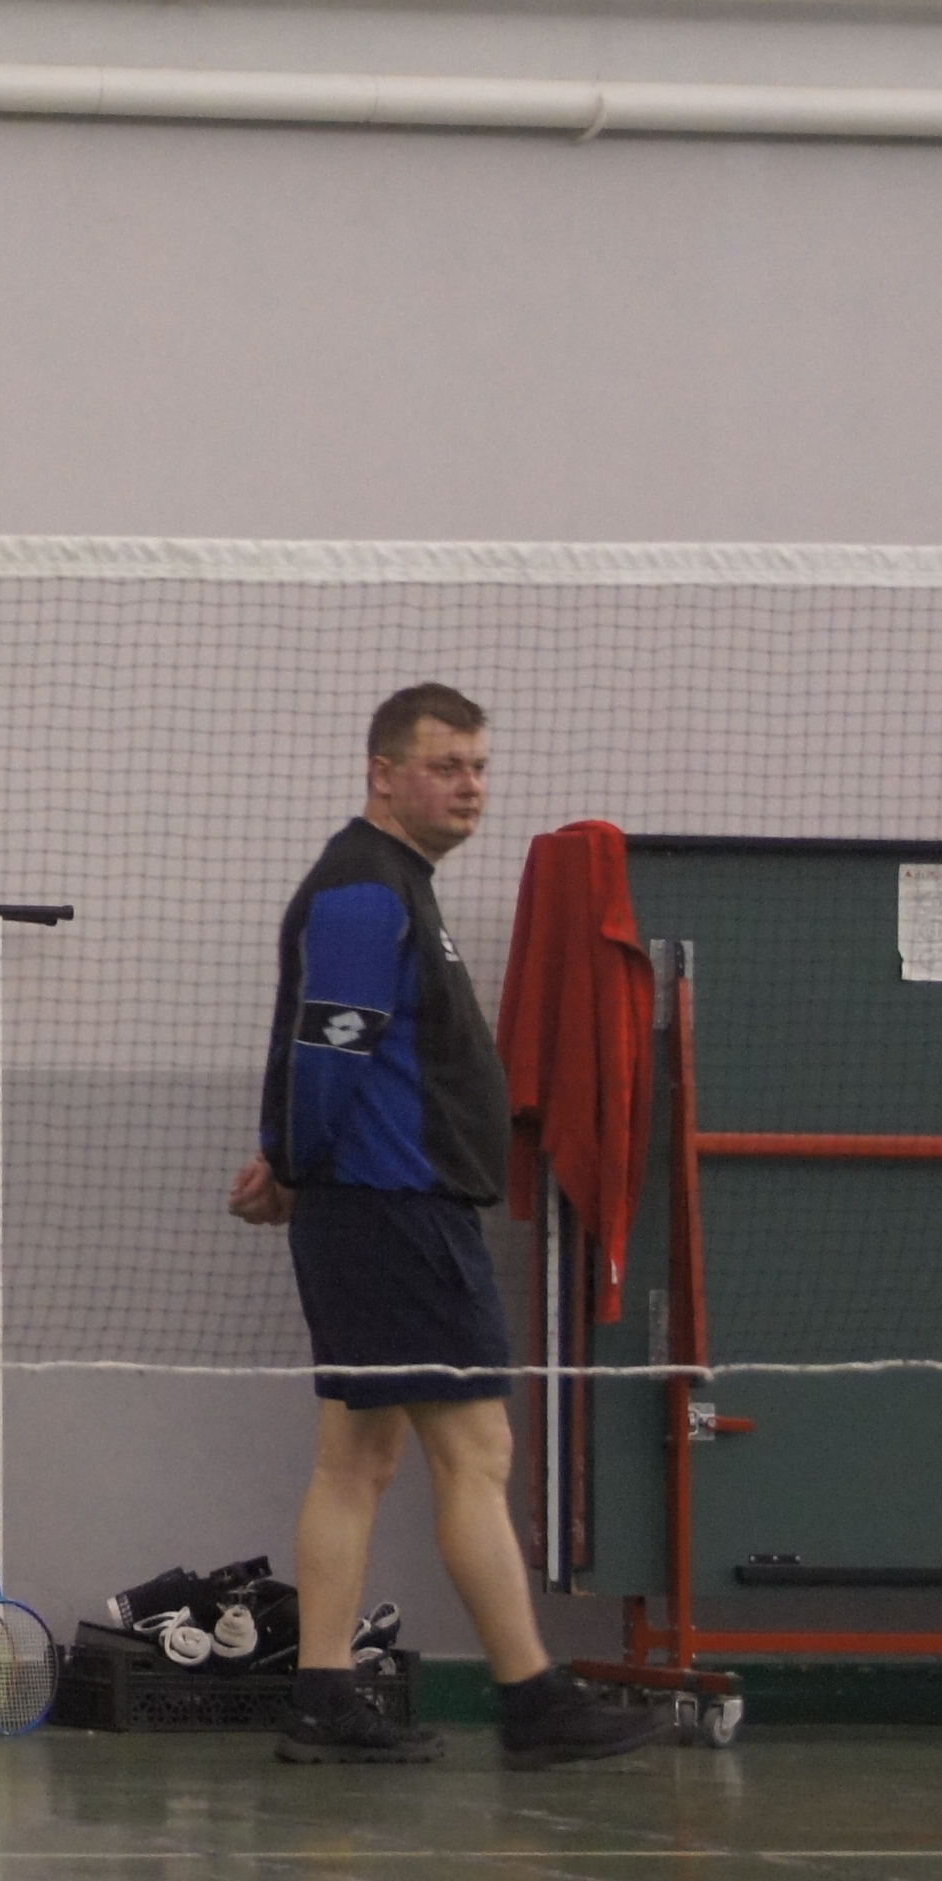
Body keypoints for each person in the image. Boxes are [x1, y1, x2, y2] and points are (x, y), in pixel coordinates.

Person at [228, 683, 663, 1770]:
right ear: (383, 774)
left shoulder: (395, 888)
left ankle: (324, 1697)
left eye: (478, 767)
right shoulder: (363, 892)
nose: (470, 787)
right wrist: (294, 1160)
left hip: (382, 1208)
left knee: (357, 1458)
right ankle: (531, 1699)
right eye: (445, 766)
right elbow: (327, 1050)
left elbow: (335, 1056)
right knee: (475, 1451)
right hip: (394, 1215)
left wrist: (291, 1157)